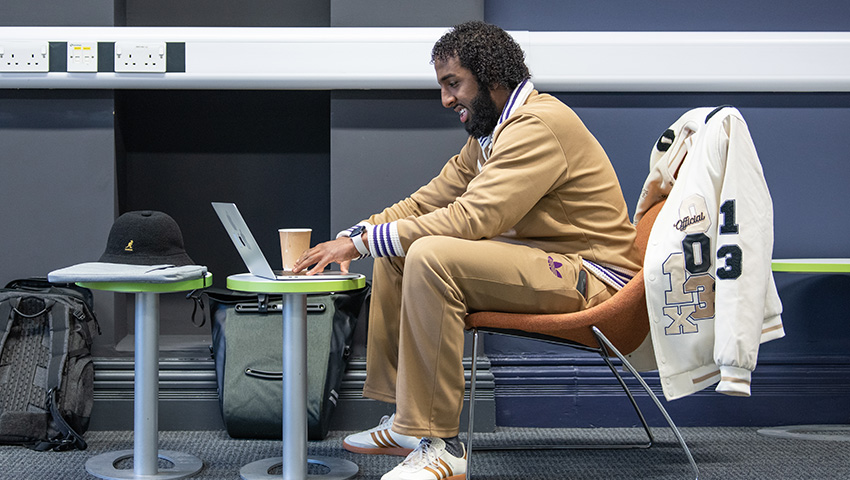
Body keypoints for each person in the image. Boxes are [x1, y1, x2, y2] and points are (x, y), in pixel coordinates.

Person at [293, 20, 642, 480]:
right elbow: (426, 200)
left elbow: (472, 218)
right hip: (554, 266)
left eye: (453, 84)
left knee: (432, 254)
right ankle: (407, 421)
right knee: (397, 251)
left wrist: (359, 244)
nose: (445, 99)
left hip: (593, 280)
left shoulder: (538, 125)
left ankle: (443, 446)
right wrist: (353, 236)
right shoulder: (489, 137)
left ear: (492, 77)